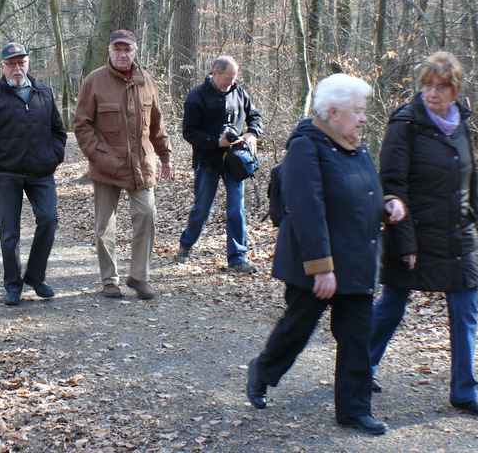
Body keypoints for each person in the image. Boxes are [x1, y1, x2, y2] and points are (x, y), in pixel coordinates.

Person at [246, 74, 406, 435]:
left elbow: (363, 192)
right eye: (358, 111)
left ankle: (354, 410)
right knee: (298, 328)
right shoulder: (306, 147)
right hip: (315, 261)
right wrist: (321, 268)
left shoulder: (355, 146)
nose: (364, 118)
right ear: (334, 112)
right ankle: (264, 369)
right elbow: (307, 209)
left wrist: (387, 203)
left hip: (356, 259)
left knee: (356, 336)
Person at [369, 51, 478, 418]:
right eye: (427, 85)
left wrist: (476, 231)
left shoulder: (463, 124)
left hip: (459, 237)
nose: (432, 93)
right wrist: (404, 241)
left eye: (441, 86)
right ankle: (359, 367)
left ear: (455, 90)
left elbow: (470, 185)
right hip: (415, 234)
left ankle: (465, 392)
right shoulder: (405, 124)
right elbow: (393, 185)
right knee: (392, 306)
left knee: (466, 310)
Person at [74, 29, 172, 300]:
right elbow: (82, 125)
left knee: (147, 215)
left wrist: (164, 155)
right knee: (105, 226)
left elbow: (156, 123)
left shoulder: (146, 81)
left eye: (127, 50)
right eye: (117, 49)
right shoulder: (94, 81)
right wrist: (100, 156)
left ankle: (139, 276)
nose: (122, 55)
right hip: (106, 165)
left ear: (135, 52)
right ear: (110, 52)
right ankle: (109, 280)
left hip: (141, 164)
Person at [0, 43, 67, 306]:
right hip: (7, 173)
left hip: (41, 172)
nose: (17, 68)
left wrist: (54, 155)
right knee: (9, 232)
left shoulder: (43, 92)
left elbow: (58, 131)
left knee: (49, 219)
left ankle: (35, 275)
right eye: (11, 64)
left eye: (21, 62)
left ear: (28, 63)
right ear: (2, 66)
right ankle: (13, 285)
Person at [176, 56, 263, 273]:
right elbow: (189, 132)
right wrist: (216, 142)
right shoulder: (196, 97)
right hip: (208, 161)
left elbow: (254, 116)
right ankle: (186, 244)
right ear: (215, 73)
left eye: (234, 78)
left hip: (236, 160)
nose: (231, 82)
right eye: (227, 78)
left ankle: (237, 259)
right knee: (202, 208)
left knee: (236, 209)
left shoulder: (238, 92)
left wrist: (252, 134)